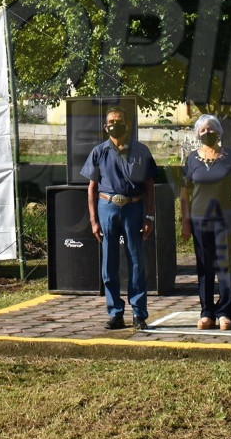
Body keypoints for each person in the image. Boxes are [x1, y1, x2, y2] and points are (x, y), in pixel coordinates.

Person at [81, 107, 158, 331]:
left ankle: (139, 313)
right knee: (109, 264)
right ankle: (115, 313)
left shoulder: (141, 151)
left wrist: (149, 216)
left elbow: (150, 185)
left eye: (120, 120)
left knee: (136, 262)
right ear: (106, 127)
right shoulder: (99, 152)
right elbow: (92, 188)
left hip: (134, 208)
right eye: (112, 121)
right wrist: (94, 220)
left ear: (127, 124)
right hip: (107, 208)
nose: (116, 124)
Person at [180, 114, 231, 330]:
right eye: (202, 130)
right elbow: (184, 192)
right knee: (204, 266)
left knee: (225, 266)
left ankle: (224, 311)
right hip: (199, 220)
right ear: (197, 134)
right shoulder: (191, 159)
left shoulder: (230, 156)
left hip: (226, 219)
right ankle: (207, 312)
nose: (207, 133)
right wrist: (185, 220)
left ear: (218, 132)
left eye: (210, 129)